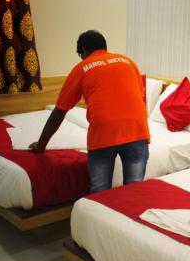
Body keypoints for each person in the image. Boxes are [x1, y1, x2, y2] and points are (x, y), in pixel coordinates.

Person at [29, 30, 150, 193]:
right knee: (134, 189)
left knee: (100, 191)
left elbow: (59, 111)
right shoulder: (129, 62)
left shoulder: (81, 68)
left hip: (103, 134)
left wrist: (41, 144)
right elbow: (141, 98)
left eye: (80, 54)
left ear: (84, 51)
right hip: (137, 130)